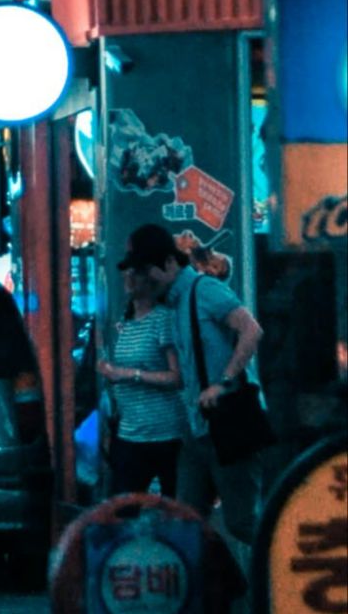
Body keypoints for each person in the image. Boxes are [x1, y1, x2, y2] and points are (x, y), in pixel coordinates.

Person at [127, 224, 265, 551]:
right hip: (198, 427)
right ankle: (217, 591)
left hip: (230, 421)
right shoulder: (173, 305)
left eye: (150, 271)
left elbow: (252, 330)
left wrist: (224, 382)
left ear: (171, 264)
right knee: (186, 519)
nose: (146, 280)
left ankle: (285, 573)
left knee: (242, 520)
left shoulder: (204, 291)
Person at [98, 255, 186, 497]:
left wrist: (130, 374)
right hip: (129, 431)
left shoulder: (163, 319)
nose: (128, 278)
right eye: (126, 273)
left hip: (165, 432)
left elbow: (176, 377)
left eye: (134, 273)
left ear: (149, 280)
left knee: (173, 509)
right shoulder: (124, 324)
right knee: (124, 508)